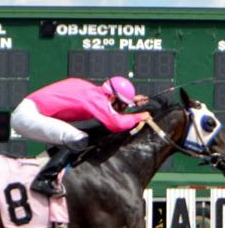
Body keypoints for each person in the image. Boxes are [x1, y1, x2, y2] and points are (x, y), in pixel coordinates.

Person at [10, 75, 151, 197]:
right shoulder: (95, 99)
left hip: (28, 111)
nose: (122, 110)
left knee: (72, 137)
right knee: (78, 138)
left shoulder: (91, 91)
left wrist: (130, 101)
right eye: (122, 106)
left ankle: (45, 164)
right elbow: (116, 123)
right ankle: (43, 180)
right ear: (113, 97)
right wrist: (139, 116)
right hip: (27, 116)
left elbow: (110, 107)